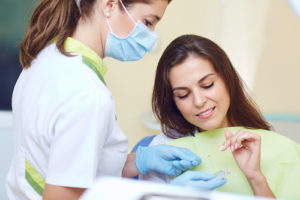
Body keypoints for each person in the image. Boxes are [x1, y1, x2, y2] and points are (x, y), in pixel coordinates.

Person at [6, 1, 227, 200]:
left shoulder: (46, 59)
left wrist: (137, 161)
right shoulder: (87, 94)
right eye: (148, 22)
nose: (151, 38)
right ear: (110, 5)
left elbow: (68, 163)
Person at [140, 34, 300, 199]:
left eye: (207, 85)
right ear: (173, 101)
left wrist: (255, 177)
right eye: (183, 95)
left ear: (227, 79)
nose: (199, 101)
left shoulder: (273, 147)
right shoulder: (163, 150)